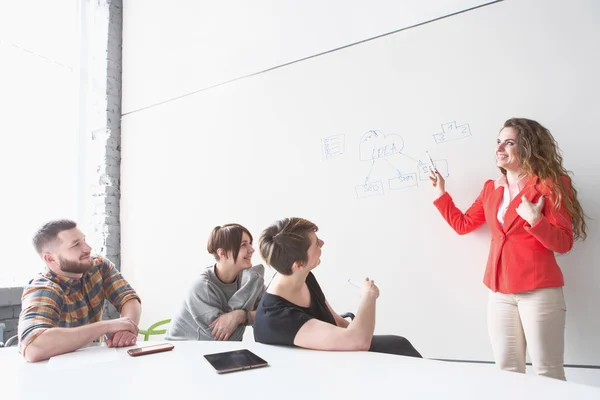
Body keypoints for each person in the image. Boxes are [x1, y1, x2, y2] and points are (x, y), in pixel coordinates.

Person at [429, 118, 587, 380]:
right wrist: (440, 195)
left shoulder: (550, 185)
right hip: (499, 291)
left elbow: (563, 242)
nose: (500, 148)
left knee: (547, 370)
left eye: (509, 142)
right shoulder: (492, 188)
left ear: (528, 147)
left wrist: (536, 220)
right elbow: (464, 224)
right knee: (506, 371)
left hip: (539, 291)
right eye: (498, 141)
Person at [253, 217, 421, 357]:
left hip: (333, 355)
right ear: (298, 264)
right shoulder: (277, 317)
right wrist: (368, 297)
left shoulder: (303, 276)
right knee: (398, 347)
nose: (323, 243)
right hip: (316, 372)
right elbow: (358, 341)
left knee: (400, 345)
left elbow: (337, 323)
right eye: (317, 244)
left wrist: (359, 332)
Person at [18, 219, 142, 362]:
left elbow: (128, 297)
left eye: (84, 240)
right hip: (57, 373)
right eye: (76, 245)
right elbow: (33, 348)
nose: (88, 248)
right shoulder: (44, 288)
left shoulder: (97, 266)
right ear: (50, 258)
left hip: (97, 361)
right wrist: (107, 326)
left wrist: (126, 328)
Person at [165, 224, 264, 341]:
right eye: (243, 245)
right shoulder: (202, 286)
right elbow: (226, 337)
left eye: (250, 244)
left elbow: (270, 312)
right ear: (222, 253)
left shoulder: (249, 279)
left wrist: (240, 316)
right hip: (181, 352)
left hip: (214, 352)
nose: (252, 250)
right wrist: (249, 315)